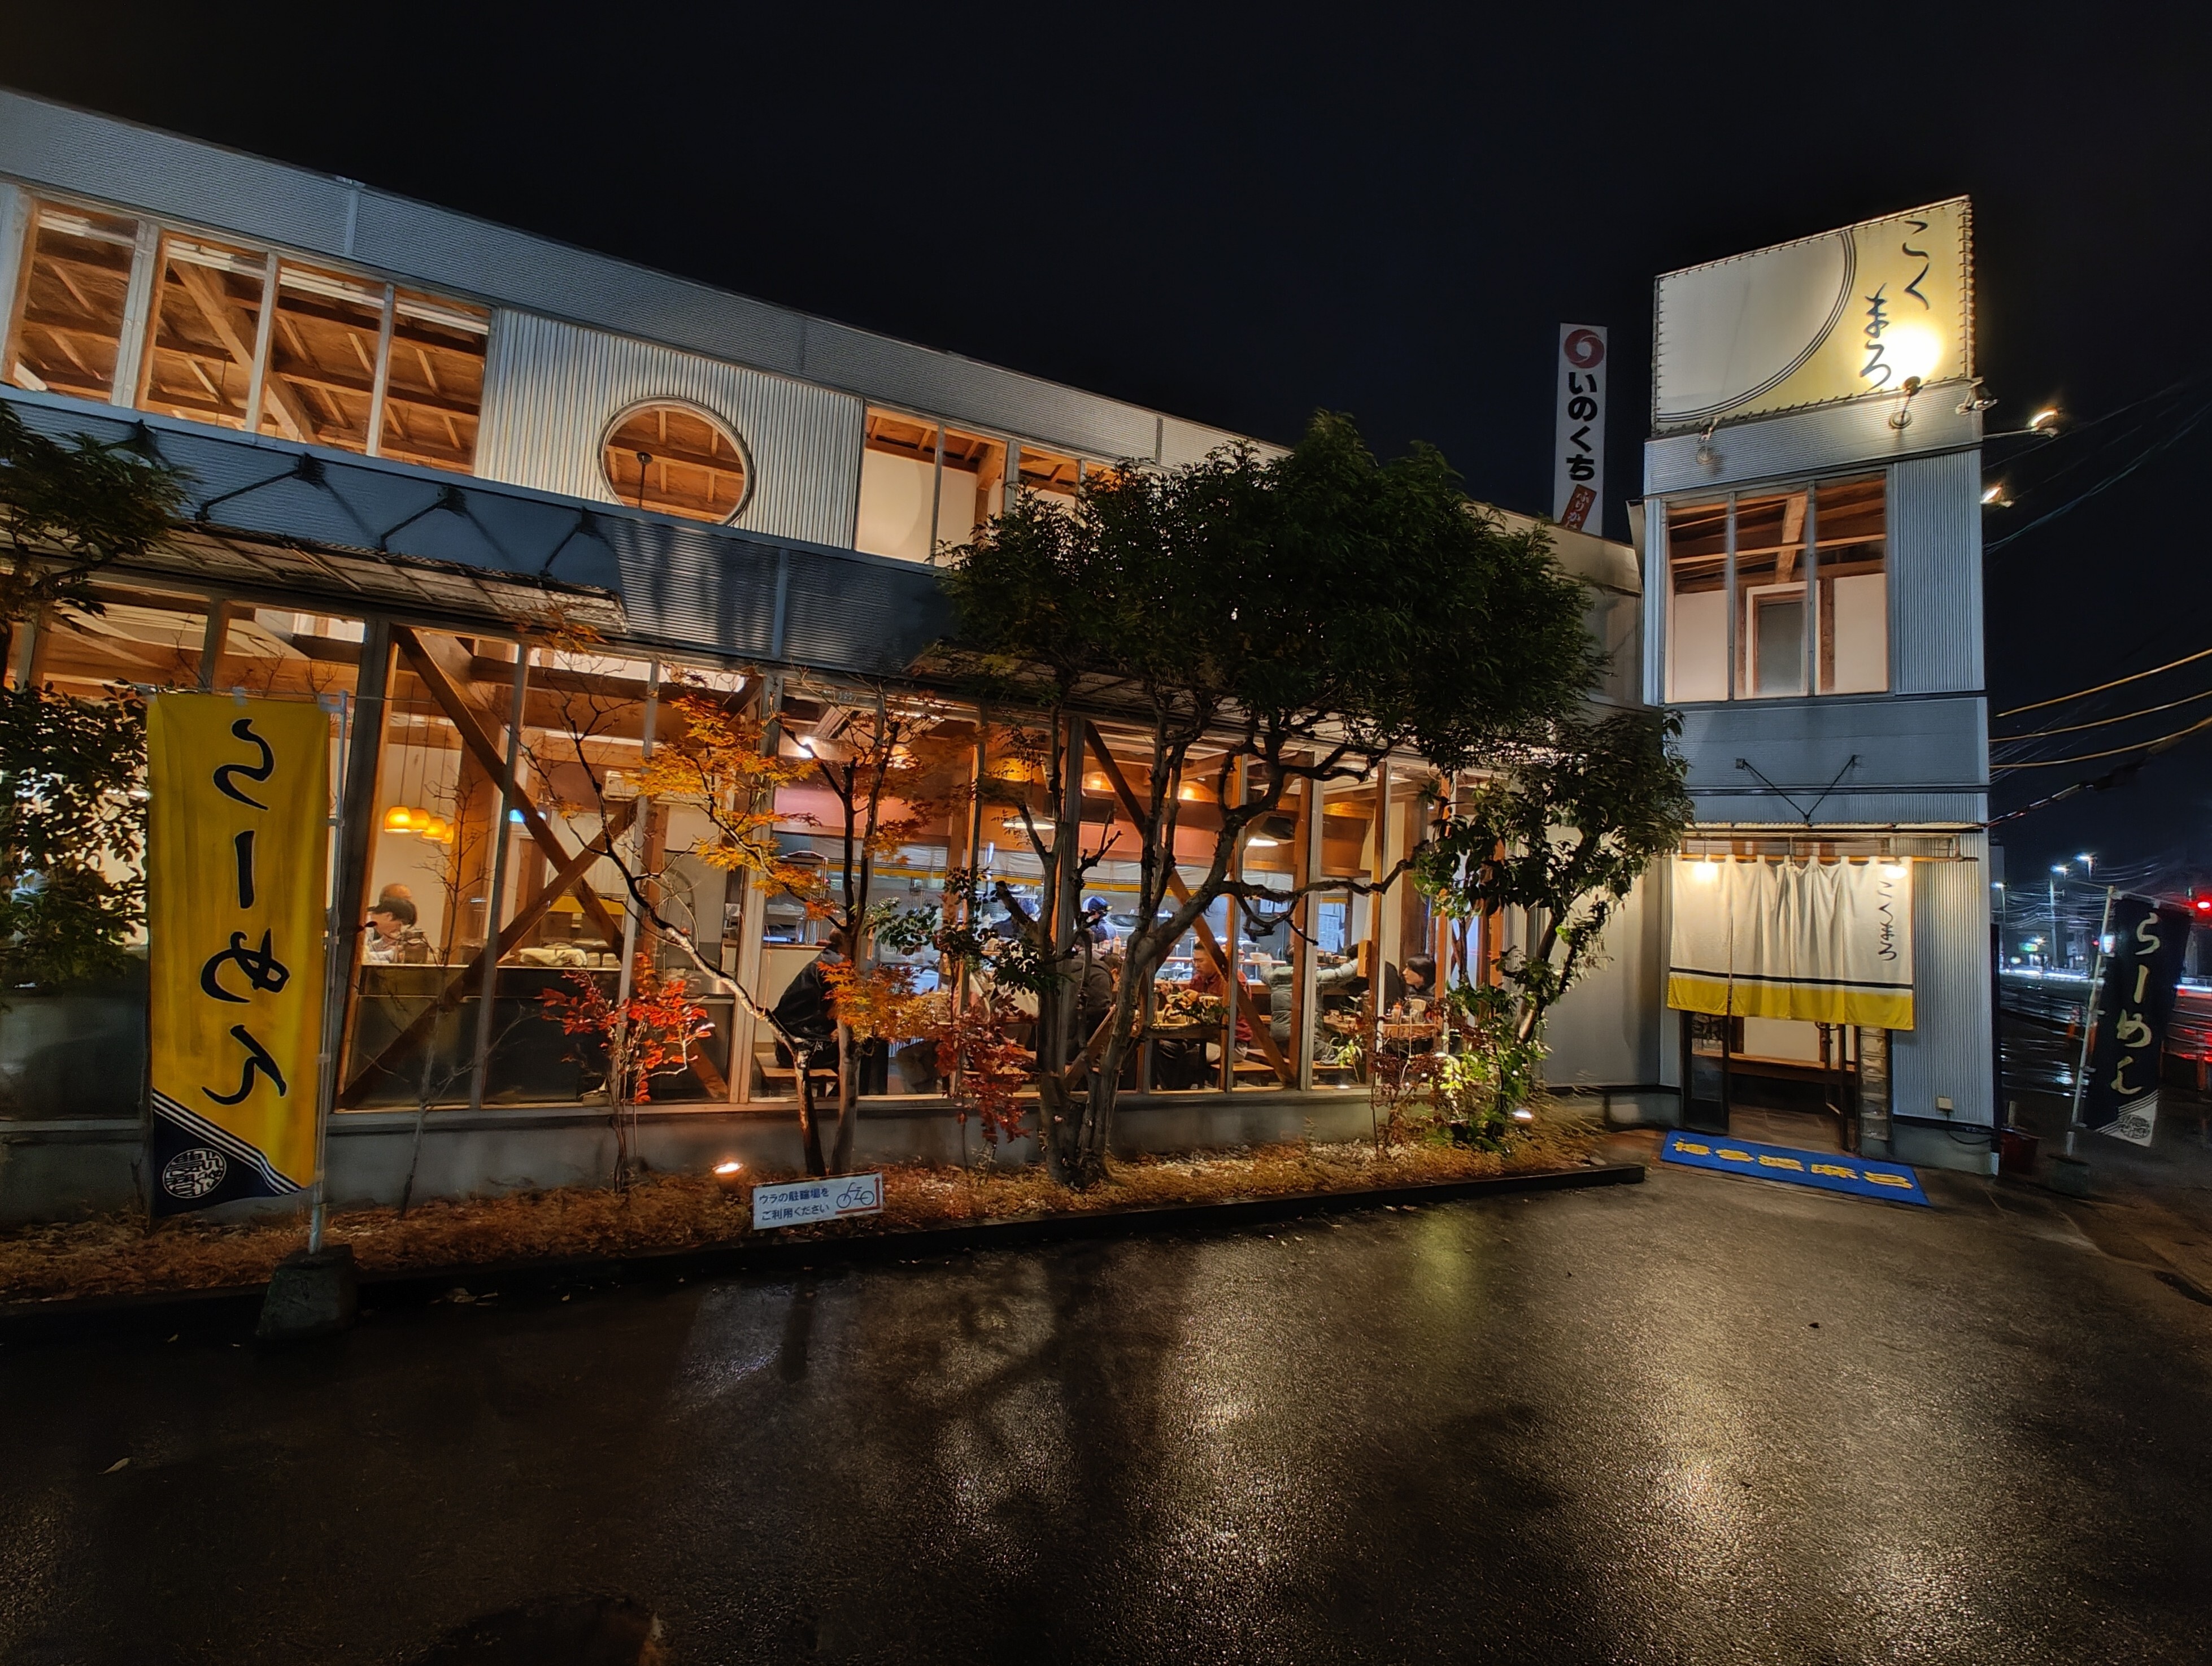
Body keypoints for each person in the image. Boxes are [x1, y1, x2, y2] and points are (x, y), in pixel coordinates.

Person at [363, 895, 432, 964]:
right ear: (389, 916)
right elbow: (364, 960)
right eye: (399, 925)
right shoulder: (366, 926)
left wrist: (383, 943)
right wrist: (394, 955)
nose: (398, 930)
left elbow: (367, 952)